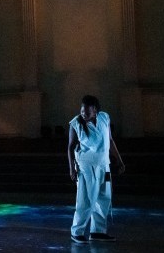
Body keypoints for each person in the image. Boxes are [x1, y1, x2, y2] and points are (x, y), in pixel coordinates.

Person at [67, 95, 125, 244]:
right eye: (82, 110)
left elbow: (110, 140)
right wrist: (72, 170)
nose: (83, 113)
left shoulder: (105, 118)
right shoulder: (76, 124)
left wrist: (119, 160)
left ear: (95, 110)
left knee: (103, 199)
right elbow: (70, 147)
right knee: (85, 201)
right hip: (86, 167)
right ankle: (77, 231)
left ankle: (97, 232)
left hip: (104, 165)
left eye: (87, 111)